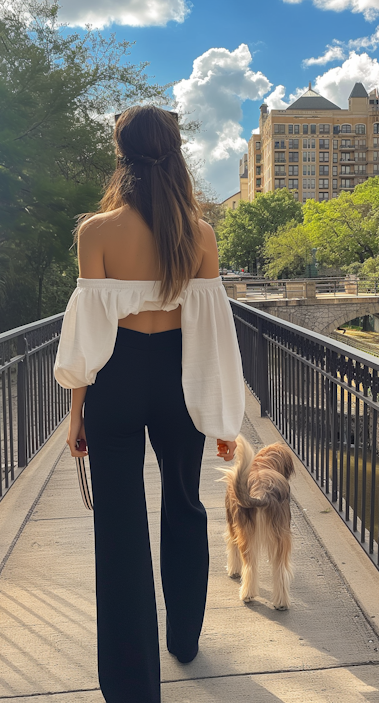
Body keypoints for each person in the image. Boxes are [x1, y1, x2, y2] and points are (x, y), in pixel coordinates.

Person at [53, 105, 246, 703]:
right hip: (179, 378)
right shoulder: (201, 235)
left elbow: (88, 334)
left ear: (121, 153)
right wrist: (222, 416)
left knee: (118, 524)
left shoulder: (97, 233)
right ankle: (184, 637)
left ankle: (133, 685)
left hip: (115, 377)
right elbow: (215, 331)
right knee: (185, 503)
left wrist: (76, 409)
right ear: (177, 152)